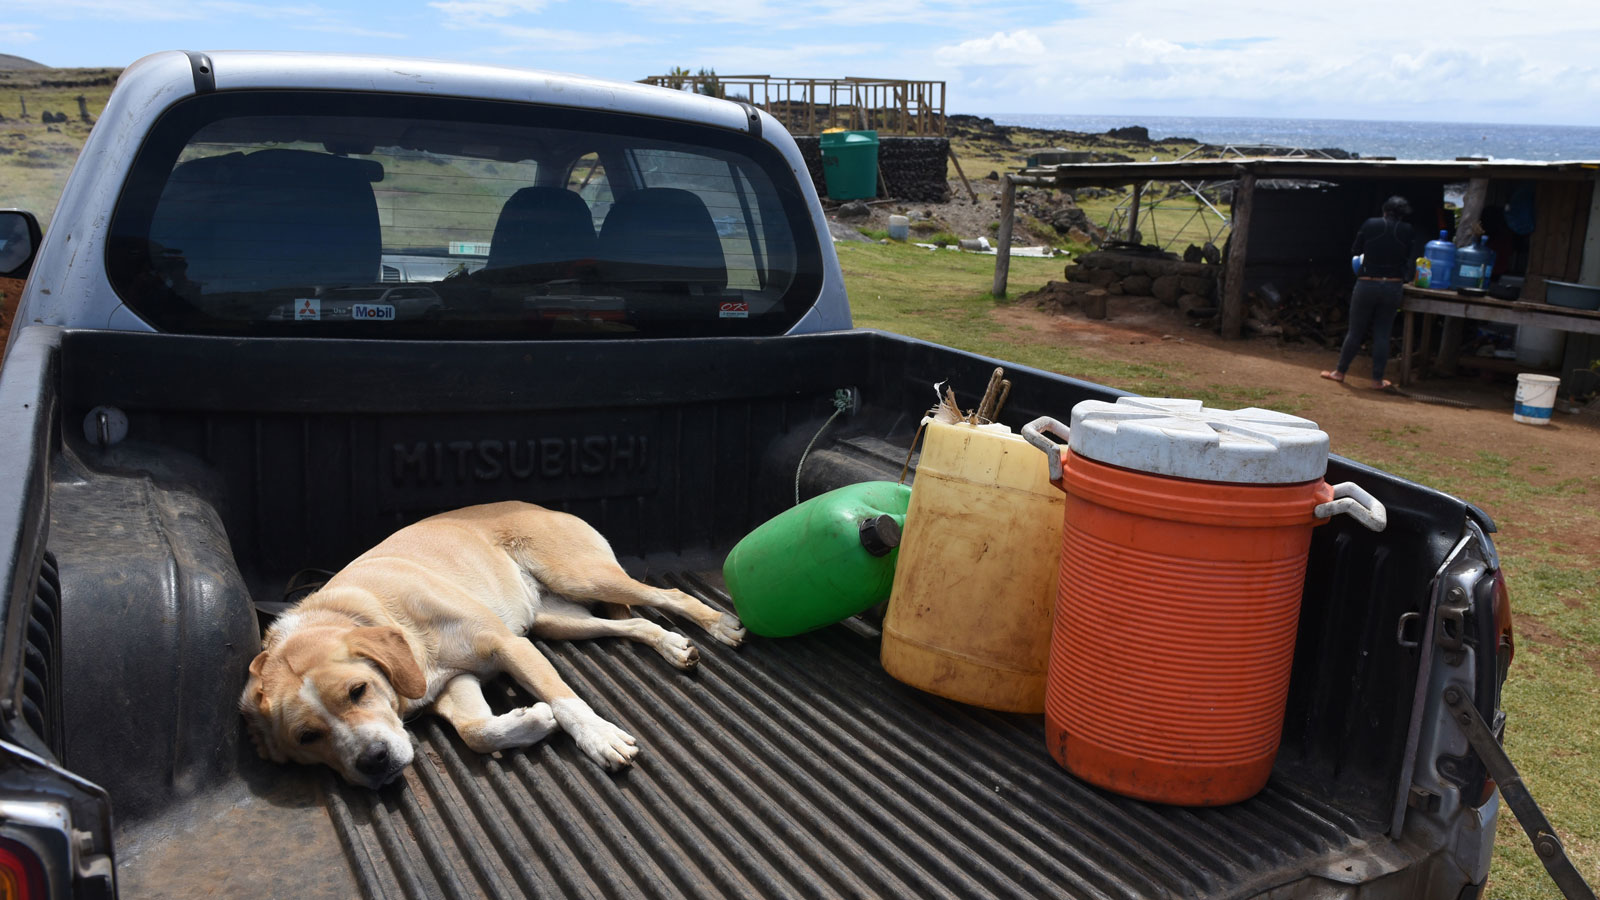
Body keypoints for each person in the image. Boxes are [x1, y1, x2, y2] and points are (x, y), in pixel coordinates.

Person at [1322, 196, 1415, 389]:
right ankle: (1377, 380)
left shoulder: (1370, 224)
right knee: (1382, 333)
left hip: (1367, 283)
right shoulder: (1407, 230)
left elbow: (1356, 250)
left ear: (1385, 210)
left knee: (1355, 331)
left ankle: (1339, 372)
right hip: (1393, 285)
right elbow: (1408, 259)